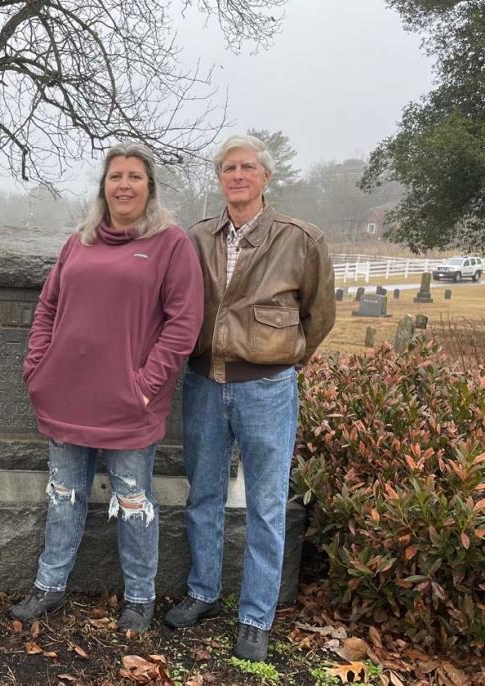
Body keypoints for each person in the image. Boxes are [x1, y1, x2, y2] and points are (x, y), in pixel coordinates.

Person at [8, 143, 204, 633]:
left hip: (129, 403)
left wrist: (146, 384)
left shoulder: (171, 244)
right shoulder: (80, 241)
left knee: (134, 501)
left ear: (149, 186)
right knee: (63, 495)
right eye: (116, 176)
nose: (124, 185)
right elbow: (48, 308)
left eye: (134, 176)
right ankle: (50, 586)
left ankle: (139, 597)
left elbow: (184, 324)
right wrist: (38, 366)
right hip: (67, 396)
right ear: (104, 186)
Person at [163, 134, 336, 661]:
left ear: (266, 176)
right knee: (204, 496)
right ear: (220, 178)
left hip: (267, 387)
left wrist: (284, 358)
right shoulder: (195, 237)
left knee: (264, 505)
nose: (237, 175)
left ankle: (257, 616)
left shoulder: (301, 239)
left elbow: (319, 315)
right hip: (203, 385)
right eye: (228, 168)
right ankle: (202, 592)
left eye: (247, 167)